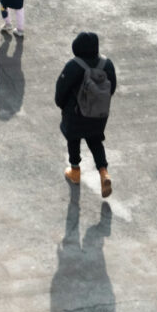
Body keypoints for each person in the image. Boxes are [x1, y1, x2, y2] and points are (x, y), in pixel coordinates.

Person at [54, 32, 117, 197]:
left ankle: (75, 172)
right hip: (98, 113)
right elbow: (112, 88)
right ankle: (104, 173)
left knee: (73, 139)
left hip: (76, 113)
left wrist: (63, 105)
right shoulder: (106, 64)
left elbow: (61, 89)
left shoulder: (74, 66)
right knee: (95, 140)